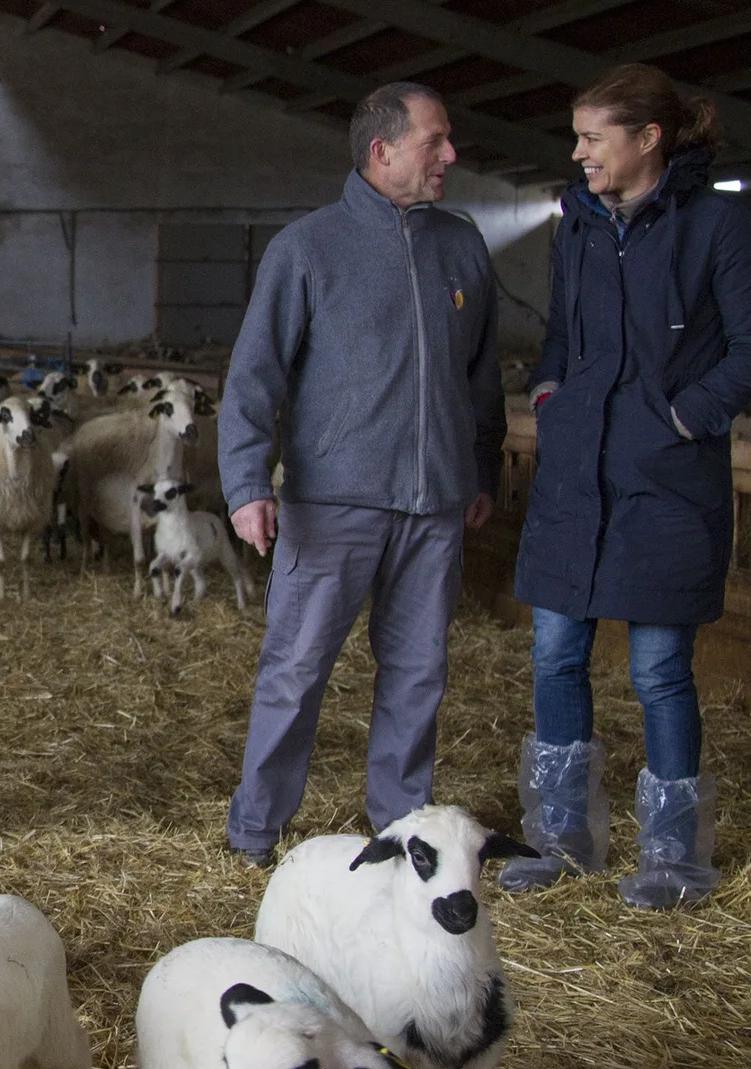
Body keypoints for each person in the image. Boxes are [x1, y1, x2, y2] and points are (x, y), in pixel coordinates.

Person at [217, 82, 505, 867]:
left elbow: (481, 376)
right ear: (383, 152)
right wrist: (246, 483)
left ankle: (402, 828)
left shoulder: (462, 245)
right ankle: (255, 832)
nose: (450, 154)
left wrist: (481, 467)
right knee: (296, 669)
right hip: (330, 503)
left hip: (435, 504)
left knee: (418, 673)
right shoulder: (308, 248)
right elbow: (254, 377)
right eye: (434, 141)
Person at [499, 64, 750, 908]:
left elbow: (748, 349)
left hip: (666, 479)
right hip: (577, 473)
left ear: (648, 139)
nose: (576, 154)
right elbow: (562, 337)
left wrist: (683, 419)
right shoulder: (576, 226)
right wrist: (550, 395)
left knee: (660, 668)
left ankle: (673, 859)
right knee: (554, 651)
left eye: (591, 138)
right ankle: (560, 838)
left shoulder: (717, 223)